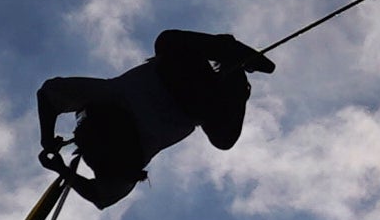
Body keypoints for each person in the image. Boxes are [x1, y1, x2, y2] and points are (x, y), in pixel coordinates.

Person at [36, 29, 276, 209]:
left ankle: (232, 67)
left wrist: (54, 155)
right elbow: (48, 95)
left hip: (184, 84)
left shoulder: (106, 104)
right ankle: (231, 67)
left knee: (169, 43)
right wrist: (51, 150)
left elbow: (101, 197)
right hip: (190, 90)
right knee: (168, 42)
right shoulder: (105, 102)